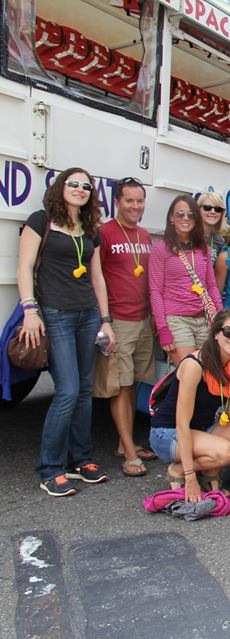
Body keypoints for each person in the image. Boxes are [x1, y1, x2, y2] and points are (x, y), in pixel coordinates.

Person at [17, 168, 116, 496]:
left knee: (85, 390)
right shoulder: (40, 220)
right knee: (67, 390)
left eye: (86, 185)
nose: (80, 189)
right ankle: (50, 468)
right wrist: (31, 310)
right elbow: (24, 267)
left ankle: (81, 461)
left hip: (88, 315)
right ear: (60, 187)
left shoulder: (90, 229)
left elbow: (98, 277)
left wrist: (105, 320)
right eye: (73, 184)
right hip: (56, 315)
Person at [149, 310, 230, 501]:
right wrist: (190, 476)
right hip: (169, 432)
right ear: (216, 333)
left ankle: (209, 472)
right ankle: (180, 470)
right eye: (229, 332)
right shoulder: (195, 365)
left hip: (203, 429)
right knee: (225, 451)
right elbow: (182, 424)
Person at [94, 177, 156, 478]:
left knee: (133, 385)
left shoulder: (144, 235)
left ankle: (124, 442)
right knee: (120, 386)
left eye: (140, 200)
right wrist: (105, 322)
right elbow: (96, 279)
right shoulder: (104, 234)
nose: (135, 206)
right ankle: (130, 454)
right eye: (129, 200)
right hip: (118, 319)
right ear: (117, 201)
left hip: (143, 319)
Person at [150, 195, 222, 366]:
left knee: (206, 372)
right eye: (180, 214)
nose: (185, 219)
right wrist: (163, 328)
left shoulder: (203, 248)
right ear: (171, 217)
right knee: (187, 372)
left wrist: (219, 315)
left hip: (204, 319)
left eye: (190, 215)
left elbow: (211, 285)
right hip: (177, 320)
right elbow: (155, 291)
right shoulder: (161, 248)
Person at [197, 192, 227, 262]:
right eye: (207, 208)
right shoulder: (187, 235)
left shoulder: (220, 241)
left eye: (218, 209)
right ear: (198, 209)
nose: (213, 211)